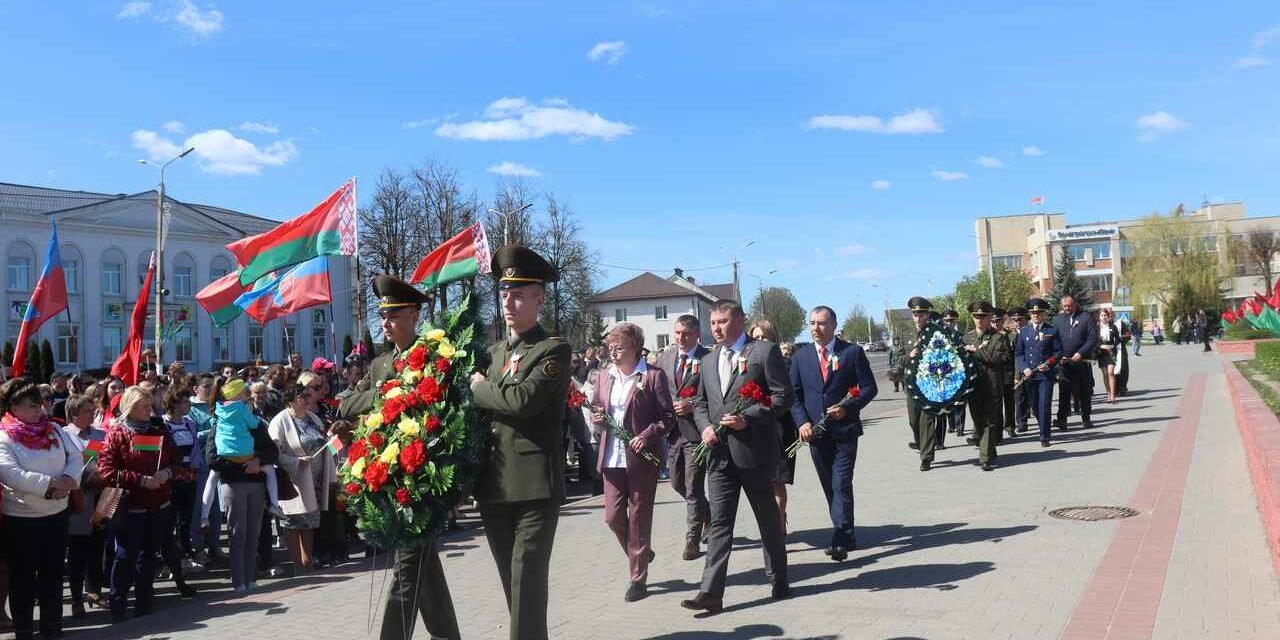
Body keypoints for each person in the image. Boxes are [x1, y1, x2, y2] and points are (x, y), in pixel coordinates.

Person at [339, 274, 460, 640]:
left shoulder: (435, 358)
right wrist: (389, 394)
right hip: (389, 480)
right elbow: (346, 403)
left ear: (414, 314)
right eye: (381, 315)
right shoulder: (380, 365)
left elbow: (448, 411)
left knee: (407, 572)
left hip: (423, 481)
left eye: (392, 315)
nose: (385, 323)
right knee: (423, 570)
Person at [469, 245, 572, 640]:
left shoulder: (553, 350)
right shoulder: (494, 354)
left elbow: (522, 401)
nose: (508, 302)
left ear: (539, 299)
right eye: (504, 294)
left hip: (534, 485)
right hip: (494, 484)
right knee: (511, 583)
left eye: (518, 294)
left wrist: (480, 388)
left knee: (526, 578)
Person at [681, 300, 792, 614]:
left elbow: (783, 396)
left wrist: (751, 416)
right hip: (719, 455)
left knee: (767, 518)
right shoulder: (707, 359)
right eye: (713, 322)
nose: (716, 328)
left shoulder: (763, 352)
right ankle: (711, 593)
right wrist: (704, 428)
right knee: (719, 524)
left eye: (723, 321)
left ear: (740, 320)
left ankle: (779, 578)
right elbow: (700, 402)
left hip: (754, 452)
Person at [587, 322, 675, 602]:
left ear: (635, 348)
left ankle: (638, 579)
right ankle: (641, 552)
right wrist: (596, 417)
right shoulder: (604, 376)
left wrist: (647, 435)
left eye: (619, 347)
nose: (612, 352)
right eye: (610, 347)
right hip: (612, 457)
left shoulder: (652, 376)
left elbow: (667, 418)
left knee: (639, 517)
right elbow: (599, 411)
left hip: (641, 459)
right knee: (613, 517)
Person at [790, 305, 877, 561]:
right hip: (816, 434)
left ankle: (839, 538)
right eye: (812, 323)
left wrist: (847, 407)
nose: (816, 328)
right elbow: (794, 396)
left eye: (822, 323)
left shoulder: (852, 353)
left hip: (845, 430)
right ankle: (847, 532)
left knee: (840, 483)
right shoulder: (801, 357)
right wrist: (802, 423)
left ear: (834, 326)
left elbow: (869, 387)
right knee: (830, 486)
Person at [99, 386, 192, 621]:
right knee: (125, 556)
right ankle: (118, 603)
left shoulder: (157, 430)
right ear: (129, 408)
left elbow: (177, 462)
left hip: (157, 503)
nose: (148, 410)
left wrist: (166, 474)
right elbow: (107, 471)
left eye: (149, 405)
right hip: (130, 506)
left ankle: (144, 602)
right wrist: (140, 480)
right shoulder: (117, 434)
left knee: (149, 555)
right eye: (143, 406)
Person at [0, 378, 80, 639]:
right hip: (21, 520)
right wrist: (50, 484)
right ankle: (24, 631)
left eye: (40, 405)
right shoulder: (4, 436)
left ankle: (52, 628)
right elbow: (11, 474)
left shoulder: (54, 430)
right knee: (22, 580)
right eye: (32, 406)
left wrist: (68, 480)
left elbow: (75, 456)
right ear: (14, 407)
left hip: (56, 515)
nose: (40, 411)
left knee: (53, 576)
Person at [204, 378, 280, 595]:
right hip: (233, 484)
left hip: (256, 484)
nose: (248, 401)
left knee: (253, 534)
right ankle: (239, 582)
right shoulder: (219, 422)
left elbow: (271, 451)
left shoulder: (253, 422)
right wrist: (244, 466)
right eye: (245, 397)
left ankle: (251, 578)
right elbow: (212, 458)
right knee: (237, 535)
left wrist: (258, 461)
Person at [656, 314, 711, 561]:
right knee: (678, 483)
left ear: (696, 334)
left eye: (686, 334)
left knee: (693, 487)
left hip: (696, 432)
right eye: (677, 333)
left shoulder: (707, 359)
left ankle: (692, 539)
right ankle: (707, 514)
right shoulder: (665, 357)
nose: (680, 338)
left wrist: (692, 404)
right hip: (672, 432)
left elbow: (716, 393)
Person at [269, 379, 335, 574]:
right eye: (302, 396)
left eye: (308, 395)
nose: (307, 400)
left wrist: (336, 441)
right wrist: (296, 462)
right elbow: (275, 452)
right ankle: (298, 566)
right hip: (293, 480)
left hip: (314, 480)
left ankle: (308, 563)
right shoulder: (280, 421)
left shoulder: (312, 418)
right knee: (293, 522)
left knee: (309, 523)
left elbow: (324, 444)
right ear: (290, 400)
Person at [748, 319, 797, 534]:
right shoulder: (747, 364)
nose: (759, 342)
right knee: (762, 481)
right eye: (755, 338)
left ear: (773, 340)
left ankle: (777, 523)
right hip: (755, 428)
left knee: (777, 479)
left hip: (780, 427)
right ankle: (773, 519)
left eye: (763, 338)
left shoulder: (785, 363)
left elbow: (790, 396)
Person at [64, 394, 107, 617]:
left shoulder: (101, 434)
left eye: (93, 410)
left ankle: (94, 591)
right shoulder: (64, 436)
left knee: (97, 549)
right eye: (87, 411)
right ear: (73, 414)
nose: (92, 414)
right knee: (78, 553)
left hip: (101, 498)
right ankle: (76, 599)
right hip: (79, 501)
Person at [963, 301, 1011, 471]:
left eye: (983, 316)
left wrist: (977, 352)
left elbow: (999, 359)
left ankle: (984, 458)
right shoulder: (966, 338)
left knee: (989, 423)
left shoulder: (999, 337)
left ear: (990, 317)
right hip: (973, 387)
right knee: (978, 422)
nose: (979, 320)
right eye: (976, 316)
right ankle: (990, 451)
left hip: (992, 386)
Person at [1015, 299, 1064, 447]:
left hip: (1045, 375)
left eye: (1039, 312)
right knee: (1035, 405)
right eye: (1033, 313)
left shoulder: (1052, 330)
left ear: (1044, 314)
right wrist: (1024, 368)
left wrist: (1049, 364)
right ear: (1030, 314)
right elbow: (1018, 353)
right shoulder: (1024, 331)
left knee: (1044, 405)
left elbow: (1058, 352)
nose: (1036, 315)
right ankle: (1042, 423)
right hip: (1030, 375)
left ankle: (1044, 436)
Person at [902, 297, 944, 469]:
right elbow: (899, 359)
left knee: (926, 419)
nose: (918, 317)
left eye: (921, 314)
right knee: (913, 420)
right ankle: (921, 444)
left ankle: (926, 456)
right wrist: (908, 356)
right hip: (911, 384)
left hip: (929, 384)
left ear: (928, 315)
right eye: (915, 314)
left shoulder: (936, 334)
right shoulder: (908, 335)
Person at [1054, 296, 1098, 431]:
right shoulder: (1058, 320)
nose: (1067, 308)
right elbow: (1054, 340)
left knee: (1084, 390)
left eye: (1069, 305)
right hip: (1064, 362)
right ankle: (1062, 420)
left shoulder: (1086, 318)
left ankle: (1086, 418)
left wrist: (1081, 353)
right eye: (1064, 306)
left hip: (1082, 361)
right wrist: (1059, 356)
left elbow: (1092, 338)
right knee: (1064, 391)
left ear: (1075, 304)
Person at [1006, 307, 1031, 435]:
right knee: (1020, 397)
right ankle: (1022, 422)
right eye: (1015, 320)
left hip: (1032, 369)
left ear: (1026, 319)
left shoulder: (1030, 331)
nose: (1018, 322)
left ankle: (1036, 417)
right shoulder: (1009, 336)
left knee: (1032, 396)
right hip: (1017, 370)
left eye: (1020, 319)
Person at [1096, 308, 1122, 403]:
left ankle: (1113, 395)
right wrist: (1101, 346)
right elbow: (1093, 340)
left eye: (1105, 315)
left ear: (1108, 316)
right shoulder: (1096, 328)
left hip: (1111, 351)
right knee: (1105, 374)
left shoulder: (1113, 326)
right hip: (1101, 352)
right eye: (1102, 315)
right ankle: (1108, 392)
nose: (1104, 317)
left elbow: (1118, 340)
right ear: (1099, 317)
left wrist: (1112, 346)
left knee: (1111, 372)